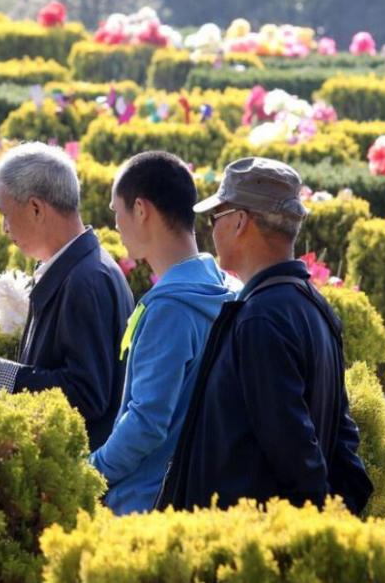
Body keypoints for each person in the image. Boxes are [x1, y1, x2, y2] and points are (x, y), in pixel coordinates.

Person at [157, 157, 373, 514]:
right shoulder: (311, 305)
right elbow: (340, 440)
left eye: (216, 219)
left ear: (240, 221)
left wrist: (321, 527)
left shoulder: (262, 317)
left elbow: (293, 451)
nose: (212, 231)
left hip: (251, 545)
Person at [0, 142, 131, 451]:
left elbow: (87, 395)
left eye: (5, 214)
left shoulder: (86, 280)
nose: (5, 229)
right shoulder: (79, 267)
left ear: (36, 208)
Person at [88, 151, 235, 514]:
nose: (116, 224)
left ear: (141, 209)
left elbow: (146, 423)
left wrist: (90, 473)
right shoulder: (224, 286)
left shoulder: (170, 307)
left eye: (116, 211)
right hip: (195, 495)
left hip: (143, 505)